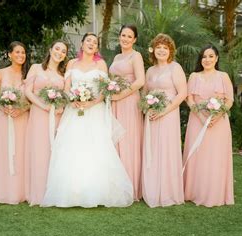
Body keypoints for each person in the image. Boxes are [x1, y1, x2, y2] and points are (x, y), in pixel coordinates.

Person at [41, 33, 133, 208]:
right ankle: (71, 193)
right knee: (72, 148)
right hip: (73, 111)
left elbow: (104, 90)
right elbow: (67, 87)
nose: (92, 44)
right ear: (82, 44)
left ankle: (96, 191)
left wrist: (91, 103)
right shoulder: (71, 64)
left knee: (95, 147)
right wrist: (72, 99)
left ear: (97, 48)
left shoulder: (100, 64)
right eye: (88, 41)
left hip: (94, 111)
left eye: (95, 42)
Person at [183, 44, 234, 207]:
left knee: (215, 157)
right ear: (200, 59)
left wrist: (217, 116)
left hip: (218, 124)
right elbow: (189, 99)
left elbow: (230, 100)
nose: (207, 59)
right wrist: (200, 116)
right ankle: (193, 192)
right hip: (197, 121)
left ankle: (215, 193)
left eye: (211, 56)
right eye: (204, 56)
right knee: (199, 156)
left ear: (217, 58)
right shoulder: (194, 76)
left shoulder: (223, 76)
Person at [141, 33, 187, 207]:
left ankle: (167, 192)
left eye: (165, 48)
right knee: (152, 149)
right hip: (151, 116)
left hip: (168, 115)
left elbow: (182, 93)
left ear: (170, 51)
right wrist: (147, 107)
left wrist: (164, 111)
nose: (161, 50)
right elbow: (144, 93)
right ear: (153, 50)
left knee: (166, 149)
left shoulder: (175, 68)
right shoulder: (150, 70)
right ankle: (152, 190)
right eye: (158, 47)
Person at [24, 40, 68, 206]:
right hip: (38, 114)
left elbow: (65, 96)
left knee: (53, 152)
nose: (59, 53)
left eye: (63, 51)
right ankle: (37, 192)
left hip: (55, 117)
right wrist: (44, 106)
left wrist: (60, 108)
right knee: (39, 150)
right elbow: (28, 91)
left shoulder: (63, 75)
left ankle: (53, 191)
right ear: (50, 50)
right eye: (57, 49)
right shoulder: (36, 68)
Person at [0, 41, 30, 204]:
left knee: (21, 154)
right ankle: (5, 192)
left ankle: (22, 192)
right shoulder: (0, 73)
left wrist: (21, 109)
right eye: (17, 52)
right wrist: (3, 107)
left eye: (23, 52)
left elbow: (31, 99)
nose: (21, 55)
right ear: (9, 55)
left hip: (22, 119)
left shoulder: (28, 75)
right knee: (5, 154)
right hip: (3, 119)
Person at [109, 25, 145, 201]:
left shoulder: (136, 56)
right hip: (115, 101)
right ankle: (117, 185)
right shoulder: (116, 57)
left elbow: (140, 81)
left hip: (129, 101)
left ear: (134, 40)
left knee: (128, 141)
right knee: (116, 140)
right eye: (123, 35)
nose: (125, 39)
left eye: (129, 36)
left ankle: (131, 187)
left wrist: (121, 95)